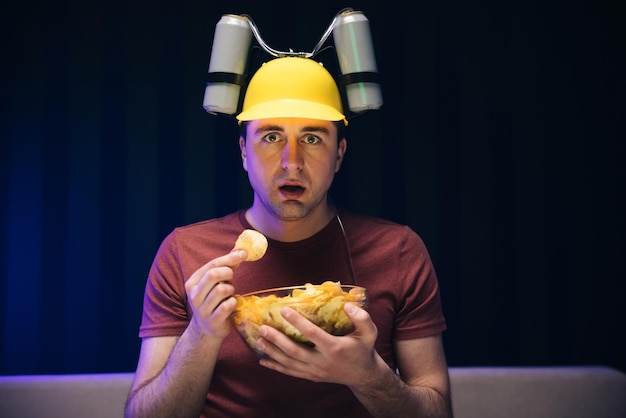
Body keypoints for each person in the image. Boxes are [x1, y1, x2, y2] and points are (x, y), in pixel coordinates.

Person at [124, 56, 453, 418]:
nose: (290, 162)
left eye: (312, 138)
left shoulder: (399, 251)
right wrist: (200, 336)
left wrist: (368, 376)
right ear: (244, 153)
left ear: (339, 155)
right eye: (270, 137)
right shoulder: (184, 253)